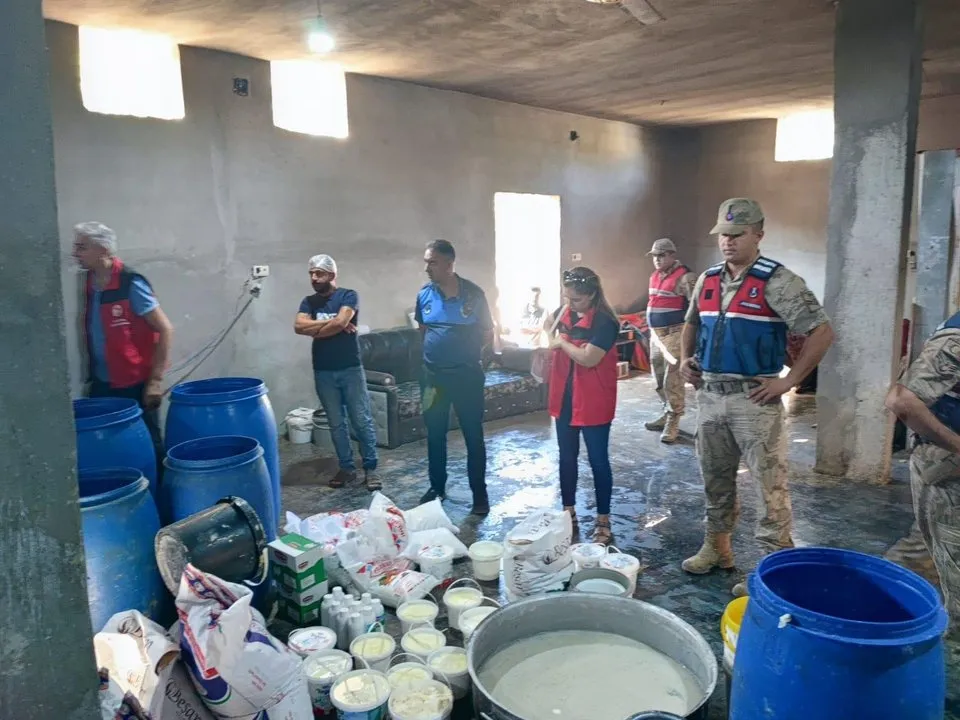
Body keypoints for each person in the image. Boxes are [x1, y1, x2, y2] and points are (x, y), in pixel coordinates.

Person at [679, 198, 834, 596]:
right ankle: (717, 547)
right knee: (714, 479)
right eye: (723, 236)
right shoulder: (708, 278)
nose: (727, 242)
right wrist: (684, 359)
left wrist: (791, 380)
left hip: (755, 401)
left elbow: (821, 331)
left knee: (770, 488)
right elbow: (692, 322)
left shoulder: (778, 281)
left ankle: (770, 571)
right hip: (711, 395)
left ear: (758, 235)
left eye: (737, 235)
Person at [73, 221, 173, 469]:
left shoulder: (131, 283)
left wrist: (155, 381)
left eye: (82, 247)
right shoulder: (88, 282)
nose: (76, 253)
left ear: (103, 250)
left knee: (149, 445)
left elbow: (165, 329)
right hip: (102, 381)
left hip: (134, 383)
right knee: (106, 448)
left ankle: (158, 499)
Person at [885, 312, 960, 632]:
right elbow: (902, 400)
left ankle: (866, 594)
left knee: (922, 552)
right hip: (948, 469)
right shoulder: (956, 340)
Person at [415, 240, 494, 515]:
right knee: (434, 434)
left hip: (466, 378)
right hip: (432, 379)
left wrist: (464, 358)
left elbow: (487, 334)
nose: (427, 268)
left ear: (449, 264)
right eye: (426, 262)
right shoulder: (424, 294)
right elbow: (423, 330)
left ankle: (479, 495)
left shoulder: (474, 295)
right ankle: (437, 487)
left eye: (432, 262)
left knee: (473, 435)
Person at [294, 254, 381, 491]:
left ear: (331, 275)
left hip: (350, 369)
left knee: (361, 420)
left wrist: (318, 328)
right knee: (336, 423)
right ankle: (347, 469)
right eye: (311, 273)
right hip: (323, 372)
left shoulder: (348, 295)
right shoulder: (308, 301)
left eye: (319, 273)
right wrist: (332, 325)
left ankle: (370, 468)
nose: (314, 278)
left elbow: (341, 322)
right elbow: (298, 326)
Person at [546, 267, 620, 544]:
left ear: (591, 295)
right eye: (566, 297)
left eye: (575, 299)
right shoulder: (561, 314)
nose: (569, 304)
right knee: (567, 457)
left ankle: (603, 519)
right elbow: (548, 331)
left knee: (598, 460)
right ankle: (568, 513)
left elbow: (589, 358)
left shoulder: (605, 322)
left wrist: (562, 344)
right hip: (565, 396)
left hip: (593, 399)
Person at [644, 238, 697, 444]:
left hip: (675, 332)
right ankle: (666, 412)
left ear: (672, 255)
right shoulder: (654, 276)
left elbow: (695, 309)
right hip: (656, 335)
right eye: (655, 255)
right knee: (658, 377)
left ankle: (673, 421)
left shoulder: (685, 277)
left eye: (662, 255)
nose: (657, 259)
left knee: (671, 379)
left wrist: (691, 339)